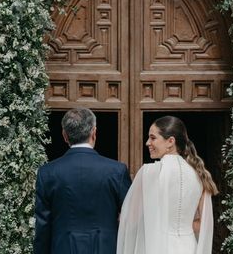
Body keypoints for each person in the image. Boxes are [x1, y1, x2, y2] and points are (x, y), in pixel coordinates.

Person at [34, 107, 132, 254]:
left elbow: (42, 225)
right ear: (94, 132)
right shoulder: (117, 170)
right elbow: (131, 218)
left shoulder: (47, 172)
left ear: (64, 135)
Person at [117, 116, 217, 254]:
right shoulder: (199, 174)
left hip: (156, 247)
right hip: (189, 247)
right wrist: (183, 225)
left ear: (170, 141)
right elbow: (202, 225)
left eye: (153, 138)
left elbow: (131, 219)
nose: (147, 143)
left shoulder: (148, 172)